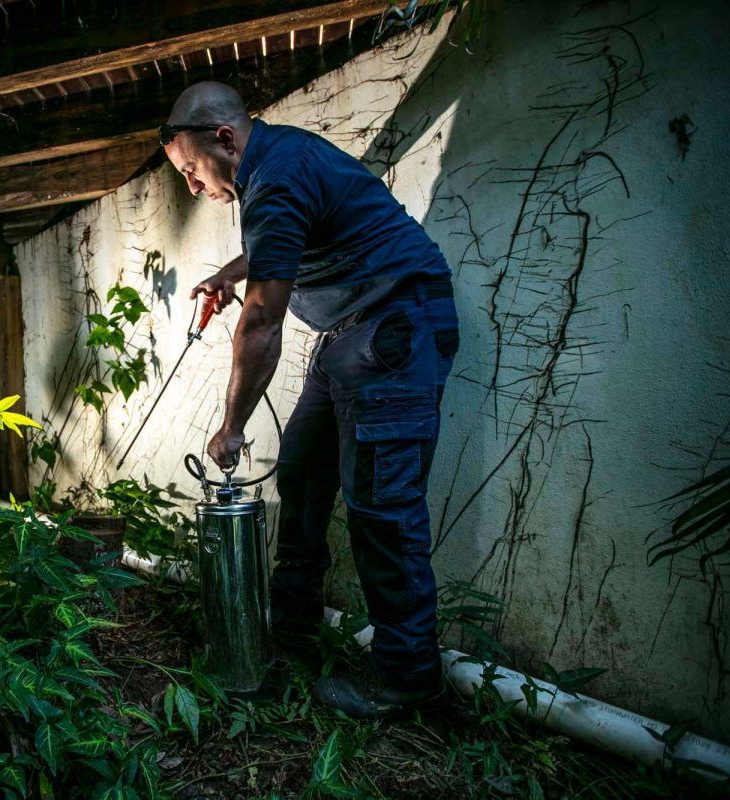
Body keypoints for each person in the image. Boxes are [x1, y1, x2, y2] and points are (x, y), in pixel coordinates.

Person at [160, 81, 459, 719]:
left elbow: (262, 323)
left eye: (190, 171)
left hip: (393, 324)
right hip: (353, 334)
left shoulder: (278, 176)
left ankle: (408, 674)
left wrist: (231, 426)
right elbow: (283, 242)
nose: (192, 187)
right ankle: (290, 625)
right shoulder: (277, 169)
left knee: (381, 501)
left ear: (224, 139)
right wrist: (230, 273)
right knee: (299, 469)